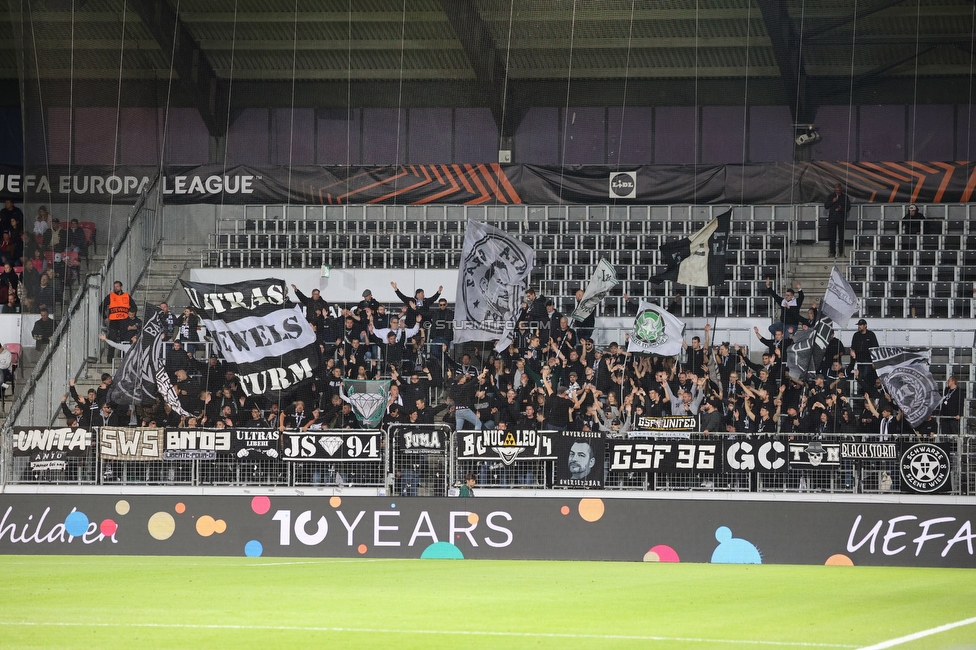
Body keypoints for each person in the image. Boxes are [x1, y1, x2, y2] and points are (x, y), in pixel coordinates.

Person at [823, 182, 851, 257]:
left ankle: (841, 252)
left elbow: (848, 208)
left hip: (841, 219)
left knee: (841, 236)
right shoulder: (831, 196)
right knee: (832, 236)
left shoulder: (845, 197)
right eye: (836, 191)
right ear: (834, 190)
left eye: (839, 191)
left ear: (841, 190)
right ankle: (832, 252)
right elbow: (826, 206)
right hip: (832, 219)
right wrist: (832, 201)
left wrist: (841, 209)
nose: (837, 192)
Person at [101, 281, 134, 345]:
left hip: (124, 320)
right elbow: (101, 307)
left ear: (121, 287)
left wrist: (131, 316)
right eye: (114, 287)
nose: (115, 288)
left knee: (124, 339)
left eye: (117, 286)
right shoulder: (110, 296)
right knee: (112, 339)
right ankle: (110, 355)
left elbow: (134, 307)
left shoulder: (126, 296)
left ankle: (123, 354)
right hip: (114, 321)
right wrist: (105, 317)